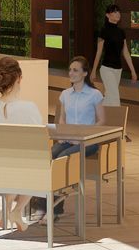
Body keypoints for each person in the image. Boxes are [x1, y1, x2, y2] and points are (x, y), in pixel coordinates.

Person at [35, 55, 107, 224]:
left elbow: (102, 120)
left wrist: (83, 136)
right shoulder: (65, 94)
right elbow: (61, 120)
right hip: (67, 139)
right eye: (70, 70)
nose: (71, 73)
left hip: (87, 142)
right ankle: (48, 205)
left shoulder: (94, 94)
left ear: (85, 73)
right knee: (48, 157)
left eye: (75, 70)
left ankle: (51, 209)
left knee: (62, 158)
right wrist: (62, 136)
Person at [0, 57, 44, 231]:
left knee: (14, 162)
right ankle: (17, 209)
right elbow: (40, 145)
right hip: (19, 172)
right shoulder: (29, 108)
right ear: (19, 78)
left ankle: (9, 210)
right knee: (34, 164)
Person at [91, 4, 138, 108]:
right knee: (115, 96)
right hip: (106, 68)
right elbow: (98, 52)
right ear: (108, 15)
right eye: (114, 12)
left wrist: (133, 71)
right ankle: (117, 121)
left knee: (109, 97)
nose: (118, 14)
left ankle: (95, 116)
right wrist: (94, 70)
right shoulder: (103, 31)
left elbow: (125, 52)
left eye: (118, 12)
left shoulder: (121, 32)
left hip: (118, 70)